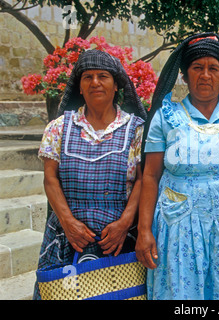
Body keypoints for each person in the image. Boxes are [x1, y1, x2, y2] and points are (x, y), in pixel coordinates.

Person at [135, 33, 219, 300]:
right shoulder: (166, 117)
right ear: (184, 76)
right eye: (197, 68)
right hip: (179, 226)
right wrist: (144, 230)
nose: (206, 75)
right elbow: (150, 176)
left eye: (214, 68)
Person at [34, 49, 147, 299]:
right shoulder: (59, 128)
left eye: (103, 76)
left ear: (117, 84)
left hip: (118, 241)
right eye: (87, 77)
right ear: (80, 87)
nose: (95, 82)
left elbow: (143, 179)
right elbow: (50, 179)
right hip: (68, 239)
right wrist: (68, 222)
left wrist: (124, 223)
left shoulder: (137, 130)